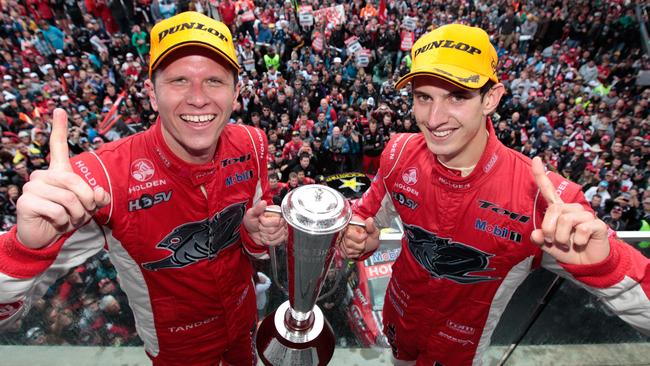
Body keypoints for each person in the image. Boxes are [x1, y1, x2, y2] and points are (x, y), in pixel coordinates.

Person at [341, 24, 650, 366]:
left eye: (457, 96)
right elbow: (369, 212)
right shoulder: (399, 151)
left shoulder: (544, 199)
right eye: (423, 97)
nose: (434, 118)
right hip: (397, 323)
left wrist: (607, 265)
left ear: (491, 98)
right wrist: (359, 235)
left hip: (460, 351)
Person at [0, 12, 287, 366]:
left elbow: (259, 233)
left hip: (245, 325)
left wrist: (255, 233)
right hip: (175, 350)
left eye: (214, 81)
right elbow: (7, 314)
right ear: (152, 94)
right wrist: (24, 248)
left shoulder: (252, 142)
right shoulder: (101, 176)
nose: (198, 98)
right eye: (179, 80)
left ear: (236, 93)